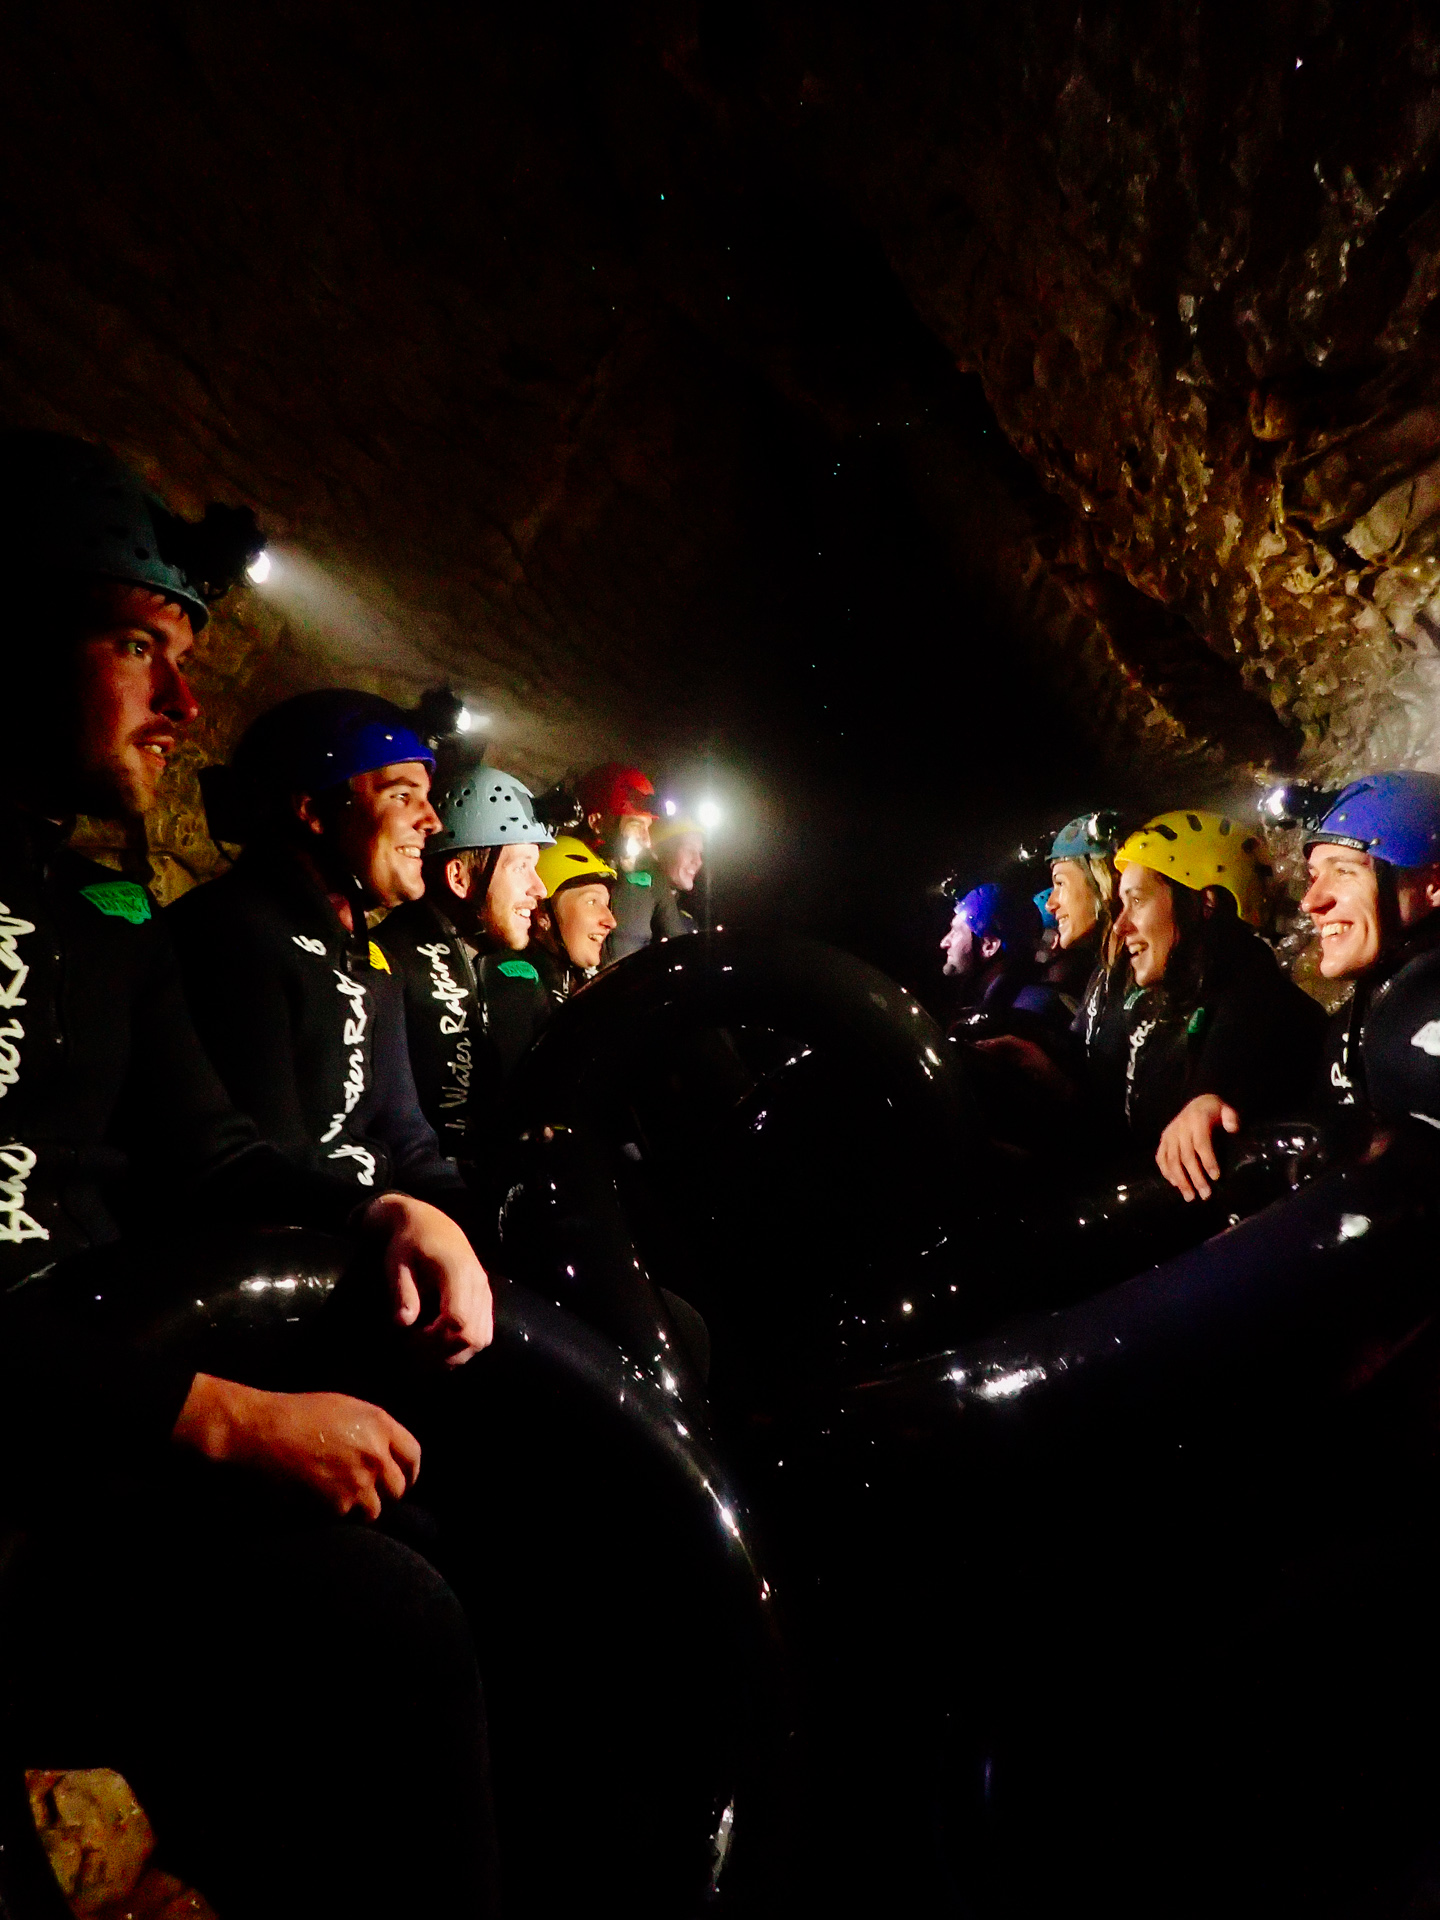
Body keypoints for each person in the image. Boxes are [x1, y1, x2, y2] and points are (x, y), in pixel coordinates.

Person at [0, 433, 498, 1918]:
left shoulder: (108, 926)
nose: (184, 702)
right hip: (48, 1434)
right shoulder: (203, 931)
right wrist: (214, 1418)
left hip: (91, 1416)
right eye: (139, 645)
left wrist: (388, 1209)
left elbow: (216, 1153)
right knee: (386, 1620)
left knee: (419, 1537)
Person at [171, 691, 473, 1208]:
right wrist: (388, 1223)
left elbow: (411, 1146)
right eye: (402, 795)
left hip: (363, 1227)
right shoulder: (233, 931)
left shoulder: (373, 957)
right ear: (312, 810)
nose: (433, 822)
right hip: (293, 1244)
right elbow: (273, 1164)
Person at [1113, 810, 1325, 1200]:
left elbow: (1243, 1033)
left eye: (1137, 901)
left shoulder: (1259, 996)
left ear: (1205, 903)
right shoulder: (1172, 999)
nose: (1119, 925)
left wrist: (1211, 1097)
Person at [378, 759, 555, 1166]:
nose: (539, 887)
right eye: (521, 867)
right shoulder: (389, 962)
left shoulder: (505, 971)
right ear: (460, 878)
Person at [1297, 771, 1440, 1135]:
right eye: (1313, 877)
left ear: (1434, 885)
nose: (1310, 902)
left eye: (1344, 872)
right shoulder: (1353, 1018)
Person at [576, 762, 687, 963]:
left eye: (648, 827)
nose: (647, 840)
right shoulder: (568, 871)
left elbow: (680, 944)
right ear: (597, 822)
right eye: (636, 826)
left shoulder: (651, 876)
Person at [940, 881, 1048, 1017]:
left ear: (989, 946)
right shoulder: (976, 999)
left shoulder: (1024, 1013)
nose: (944, 943)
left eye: (956, 932)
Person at [532, 835, 620, 1002]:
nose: (611, 921)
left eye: (606, 904)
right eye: (591, 902)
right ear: (542, 913)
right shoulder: (519, 991)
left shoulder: (584, 983)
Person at [651, 813, 704, 930]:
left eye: (700, 853)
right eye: (689, 850)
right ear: (657, 851)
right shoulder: (638, 909)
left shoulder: (686, 921)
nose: (698, 861)